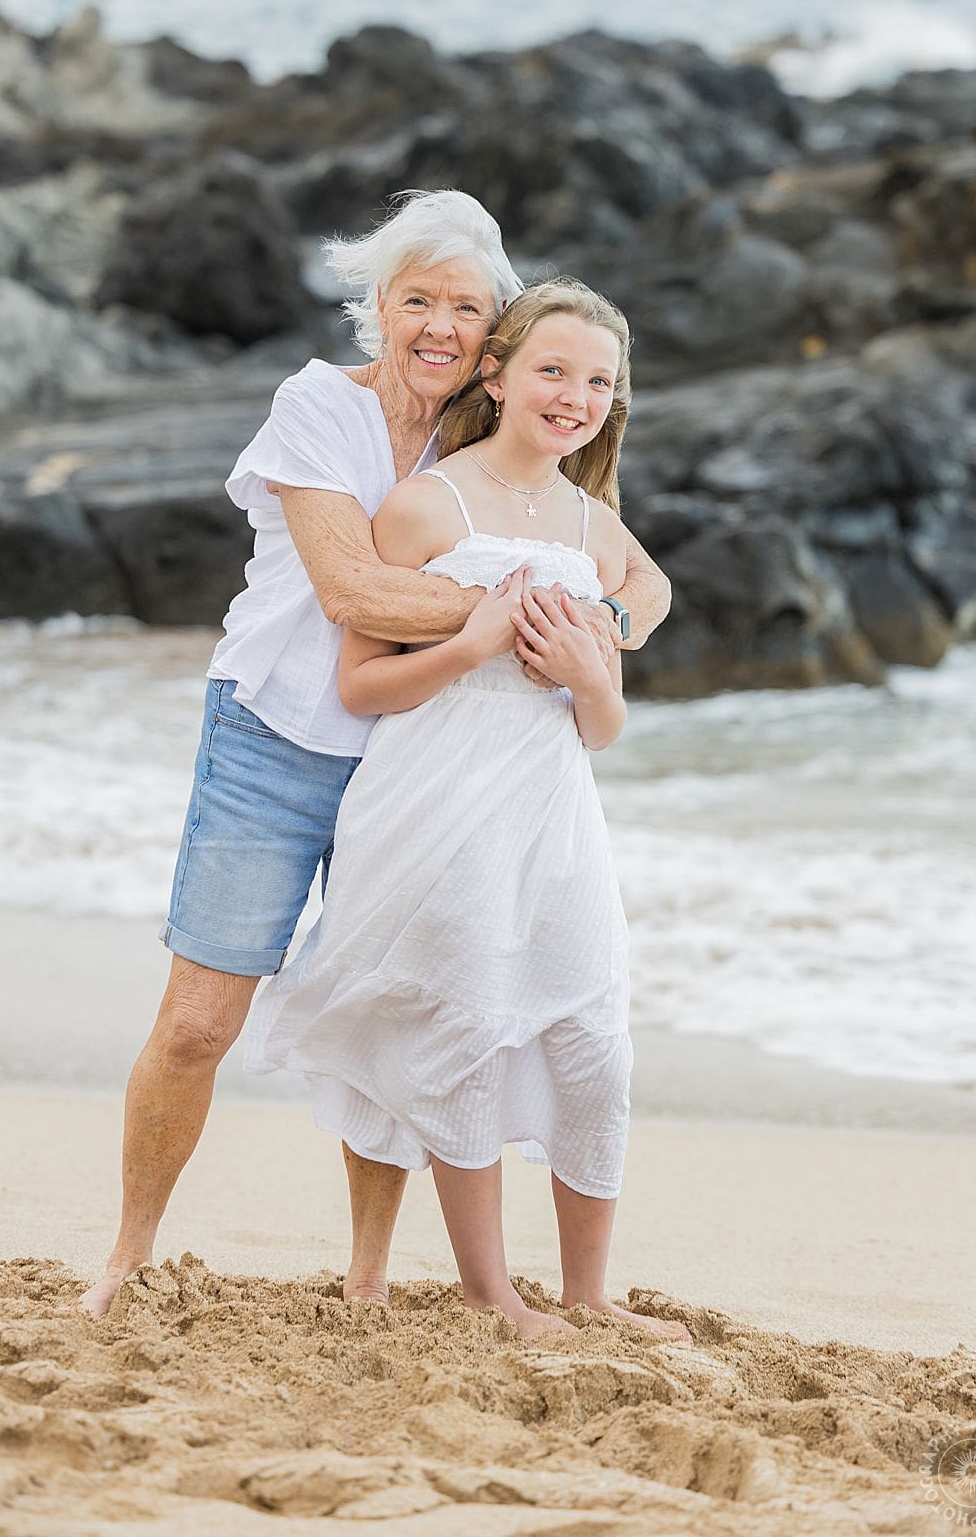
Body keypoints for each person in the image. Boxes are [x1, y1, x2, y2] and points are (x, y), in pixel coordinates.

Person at [80, 195, 672, 1319]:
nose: (439, 326)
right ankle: (130, 1251)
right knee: (203, 1020)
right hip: (279, 739)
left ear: (493, 336)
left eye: (464, 306)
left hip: (419, 769)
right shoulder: (317, 410)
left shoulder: (486, 431)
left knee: (401, 1009)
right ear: (379, 311)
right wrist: (508, 610)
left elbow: (633, 566)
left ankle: (368, 1273)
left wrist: (609, 634)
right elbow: (351, 592)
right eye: (417, 301)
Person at [244, 279, 691, 1345]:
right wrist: (469, 646)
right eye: (553, 370)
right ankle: (493, 1297)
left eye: (597, 381)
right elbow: (361, 686)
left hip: (554, 813)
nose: (574, 396)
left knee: (595, 1042)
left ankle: (587, 1293)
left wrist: (595, 669)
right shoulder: (426, 505)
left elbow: (606, 722)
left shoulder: (595, 523)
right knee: (468, 1029)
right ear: (495, 374)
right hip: (436, 801)